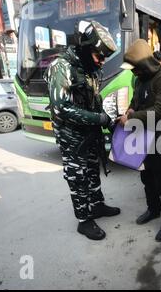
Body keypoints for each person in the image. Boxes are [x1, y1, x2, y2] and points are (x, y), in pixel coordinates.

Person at [44, 20, 121, 241]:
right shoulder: (61, 67)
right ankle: (84, 220)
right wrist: (98, 118)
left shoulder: (89, 69)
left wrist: (106, 120)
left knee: (91, 170)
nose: (102, 61)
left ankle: (97, 206)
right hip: (71, 136)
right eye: (99, 55)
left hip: (89, 133)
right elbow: (61, 108)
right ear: (86, 49)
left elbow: (93, 99)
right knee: (77, 177)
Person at [118, 39, 161, 242]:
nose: (133, 72)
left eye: (135, 68)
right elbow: (136, 102)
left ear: (143, 64)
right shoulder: (139, 80)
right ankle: (153, 209)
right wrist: (129, 111)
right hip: (142, 138)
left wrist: (132, 118)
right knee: (147, 178)